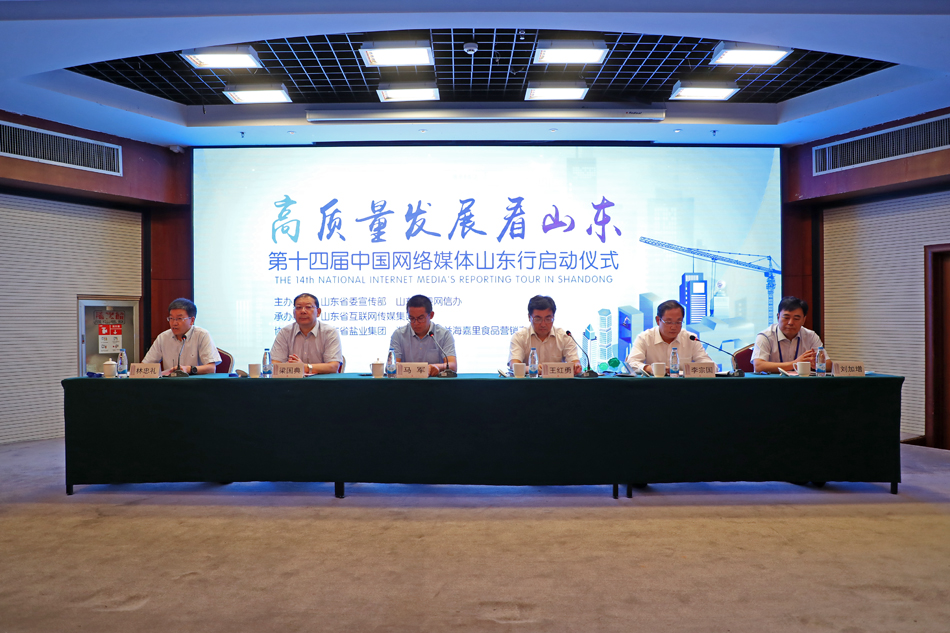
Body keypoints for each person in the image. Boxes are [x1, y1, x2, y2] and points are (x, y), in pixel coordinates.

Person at [625, 299, 713, 375]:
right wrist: (650, 369)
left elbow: (711, 367)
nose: (673, 327)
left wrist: (689, 370)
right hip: (653, 386)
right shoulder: (645, 338)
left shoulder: (691, 339)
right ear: (658, 320)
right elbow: (631, 363)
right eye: (668, 322)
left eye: (678, 322)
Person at [142, 298, 221, 376]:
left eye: (179, 319)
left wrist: (189, 369)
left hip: (196, 382)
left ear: (192, 320)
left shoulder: (202, 335)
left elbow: (211, 368)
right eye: (171, 318)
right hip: (170, 383)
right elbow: (145, 365)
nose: (174, 323)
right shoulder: (163, 337)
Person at [752, 296, 830, 374]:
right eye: (786, 318)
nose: (790, 323)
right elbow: (759, 366)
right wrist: (795, 363)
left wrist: (816, 364)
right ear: (778, 317)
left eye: (796, 319)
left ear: (803, 320)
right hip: (772, 381)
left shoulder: (810, 336)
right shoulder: (765, 336)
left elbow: (829, 364)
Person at [508, 295, 582, 376]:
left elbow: (575, 362)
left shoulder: (565, 337)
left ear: (553, 317)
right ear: (529, 317)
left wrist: (576, 366)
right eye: (538, 319)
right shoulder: (519, 337)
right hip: (529, 383)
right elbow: (514, 365)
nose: (543, 324)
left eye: (548, 319)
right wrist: (532, 369)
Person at [271, 293, 342, 374]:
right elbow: (274, 364)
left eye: (308, 307)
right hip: (292, 381)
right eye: (298, 307)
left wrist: (302, 367)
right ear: (294, 313)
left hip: (322, 381)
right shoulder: (285, 332)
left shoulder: (330, 332)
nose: (303, 311)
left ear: (318, 312)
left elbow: (333, 367)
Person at [389, 294, 457, 376]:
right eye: (412, 318)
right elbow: (391, 366)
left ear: (431, 315)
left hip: (435, 382)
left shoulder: (444, 335)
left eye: (420, 318)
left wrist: (437, 367)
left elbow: (453, 365)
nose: (416, 323)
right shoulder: (399, 335)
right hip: (407, 382)